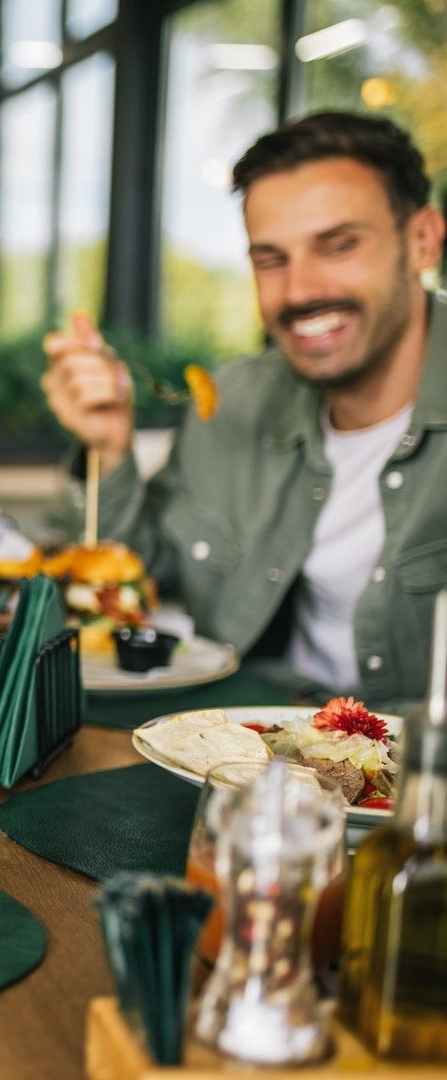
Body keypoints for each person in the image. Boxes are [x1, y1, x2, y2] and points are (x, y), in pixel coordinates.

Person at [42, 111, 446, 703]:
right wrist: (107, 449)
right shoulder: (234, 398)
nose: (301, 290)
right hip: (255, 749)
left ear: (422, 241)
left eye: (338, 246)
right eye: (271, 259)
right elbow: (143, 580)